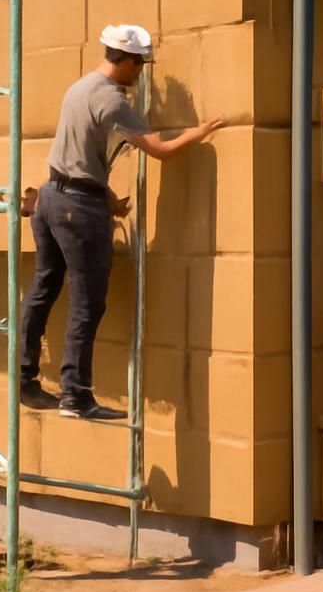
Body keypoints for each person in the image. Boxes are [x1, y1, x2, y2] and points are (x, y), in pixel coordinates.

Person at [21, 24, 223, 420]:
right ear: (126, 61)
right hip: (77, 210)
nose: (141, 73)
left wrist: (107, 197)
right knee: (87, 303)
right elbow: (160, 151)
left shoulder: (78, 88)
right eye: (140, 65)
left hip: (51, 198)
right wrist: (199, 133)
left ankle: (26, 380)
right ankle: (76, 397)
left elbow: (75, 155)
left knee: (44, 288)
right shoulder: (113, 101)